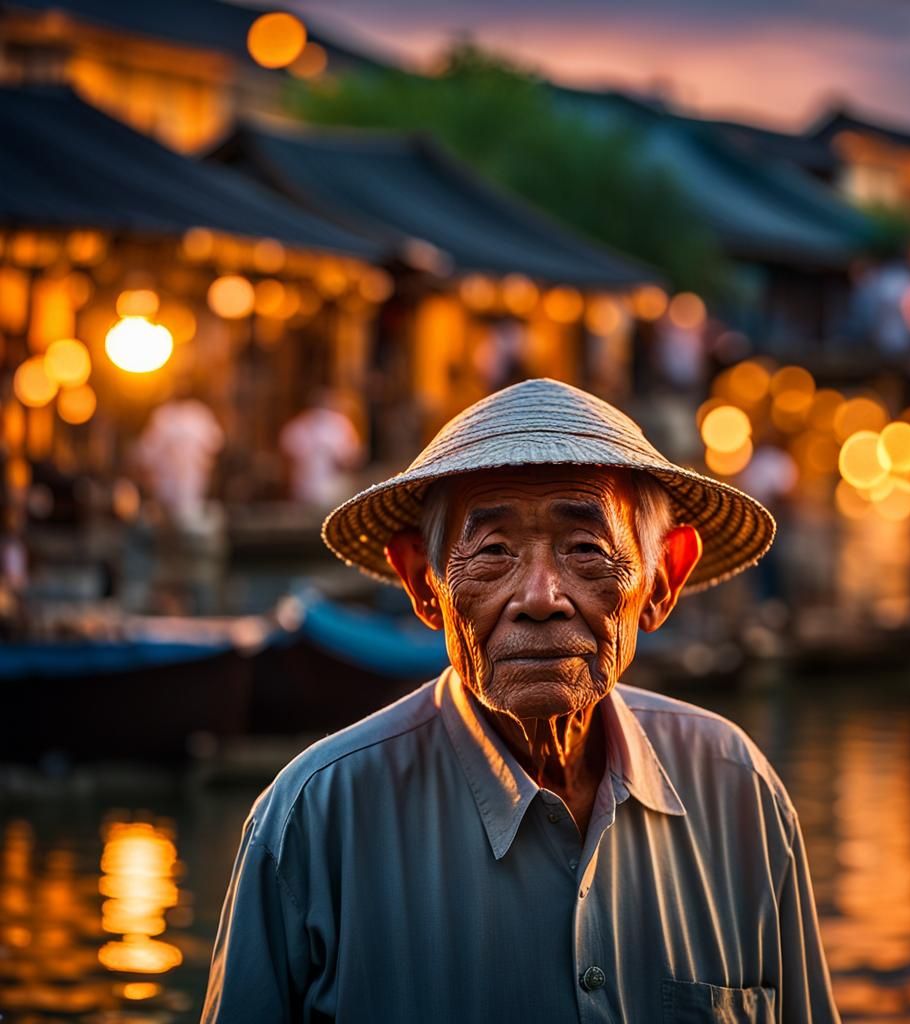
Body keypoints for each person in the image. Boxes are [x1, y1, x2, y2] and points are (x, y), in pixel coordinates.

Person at [201, 378, 840, 1023]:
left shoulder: (737, 790)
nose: (541, 596)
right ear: (425, 583)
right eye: (495, 552)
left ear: (661, 580)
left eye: (587, 550)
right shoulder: (315, 818)